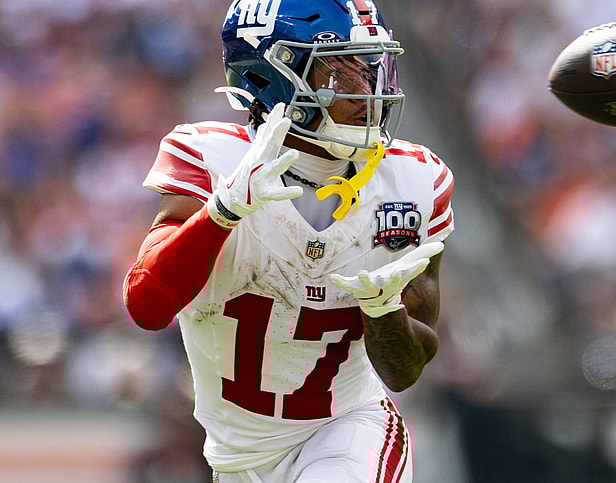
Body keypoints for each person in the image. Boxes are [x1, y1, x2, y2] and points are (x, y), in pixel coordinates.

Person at [122, 0, 454, 481]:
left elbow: (406, 370)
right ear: (270, 75)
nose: (369, 89)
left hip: (348, 429)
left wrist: (385, 315)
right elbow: (147, 306)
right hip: (238, 459)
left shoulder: (414, 179)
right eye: (340, 70)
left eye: (371, 66)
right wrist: (221, 212)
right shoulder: (211, 158)